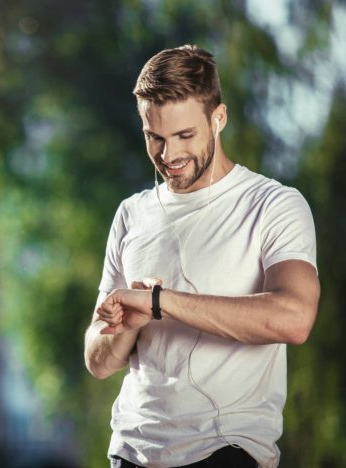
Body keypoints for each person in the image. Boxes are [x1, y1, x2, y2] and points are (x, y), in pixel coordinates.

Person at [83, 45, 320, 468]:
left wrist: (160, 304)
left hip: (225, 450)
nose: (168, 155)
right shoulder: (131, 214)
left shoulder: (273, 205)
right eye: (154, 138)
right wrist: (128, 326)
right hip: (130, 452)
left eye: (184, 136)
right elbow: (97, 361)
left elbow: (294, 317)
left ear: (219, 118)